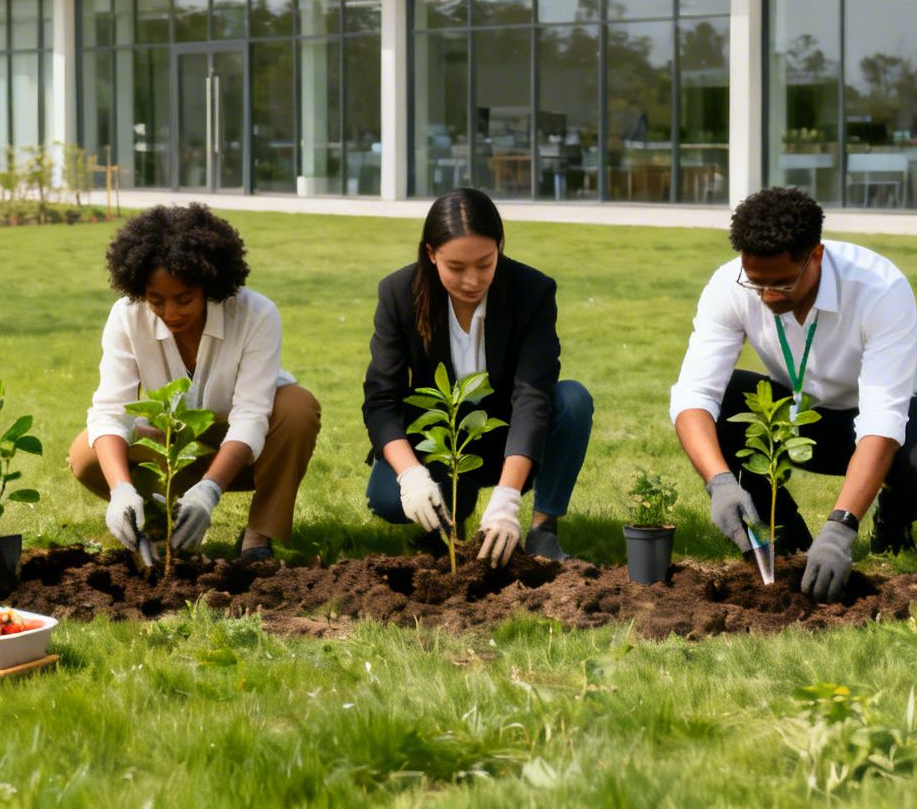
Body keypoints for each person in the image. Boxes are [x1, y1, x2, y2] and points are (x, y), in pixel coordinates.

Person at [670, 187, 917, 602]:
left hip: (888, 417)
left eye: (782, 284)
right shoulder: (728, 285)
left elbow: (882, 419)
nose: (768, 295)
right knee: (726, 402)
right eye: (757, 283)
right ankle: (788, 538)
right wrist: (719, 483)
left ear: (816, 257)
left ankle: (891, 521)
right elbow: (694, 394)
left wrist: (842, 526)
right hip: (802, 414)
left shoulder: (879, 288)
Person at [68, 204, 322, 563]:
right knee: (86, 453)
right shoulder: (127, 316)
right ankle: (154, 522)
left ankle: (258, 535)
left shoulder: (255, 314)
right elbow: (110, 411)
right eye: (156, 300)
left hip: (246, 445)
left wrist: (209, 490)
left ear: (209, 285)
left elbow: (251, 415)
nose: (170, 313)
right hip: (171, 439)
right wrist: (121, 489)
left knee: (297, 407)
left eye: (184, 299)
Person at [363, 188, 592, 565]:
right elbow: (381, 401)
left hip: (506, 435)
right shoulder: (399, 294)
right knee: (388, 500)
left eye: (485, 264)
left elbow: (532, 395)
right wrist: (411, 477)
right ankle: (447, 516)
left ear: (499, 247)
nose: (472, 280)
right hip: (436, 437)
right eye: (456, 267)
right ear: (431, 253)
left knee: (572, 400)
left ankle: (542, 531)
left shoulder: (532, 292)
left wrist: (507, 499)